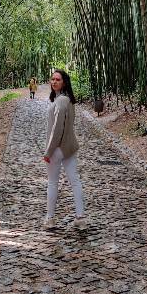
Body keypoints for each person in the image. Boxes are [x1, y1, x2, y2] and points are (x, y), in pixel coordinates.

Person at [42, 69, 86, 230]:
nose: (54, 82)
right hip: (70, 147)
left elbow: (57, 129)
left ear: (64, 82)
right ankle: (80, 217)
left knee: (52, 183)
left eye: (57, 79)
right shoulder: (68, 100)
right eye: (52, 79)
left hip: (57, 149)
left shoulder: (61, 101)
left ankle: (50, 218)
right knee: (75, 181)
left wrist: (49, 151)